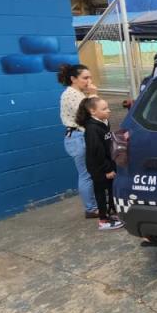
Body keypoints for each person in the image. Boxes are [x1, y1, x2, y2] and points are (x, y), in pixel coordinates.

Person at [76, 96, 125, 231]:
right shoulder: (92, 129)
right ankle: (103, 220)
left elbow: (107, 145)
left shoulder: (104, 122)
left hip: (108, 164)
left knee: (110, 189)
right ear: (92, 111)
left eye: (108, 107)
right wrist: (107, 169)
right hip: (99, 168)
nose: (108, 111)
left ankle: (112, 213)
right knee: (101, 193)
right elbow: (97, 152)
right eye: (104, 109)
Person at [58, 63, 98, 219]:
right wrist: (93, 95)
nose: (89, 81)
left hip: (80, 136)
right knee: (86, 174)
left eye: (90, 77)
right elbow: (90, 115)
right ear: (73, 79)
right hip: (77, 137)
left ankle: (93, 205)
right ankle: (91, 208)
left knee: (89, 173)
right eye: (85, 78)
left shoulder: (79, 94)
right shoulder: (71, 94)